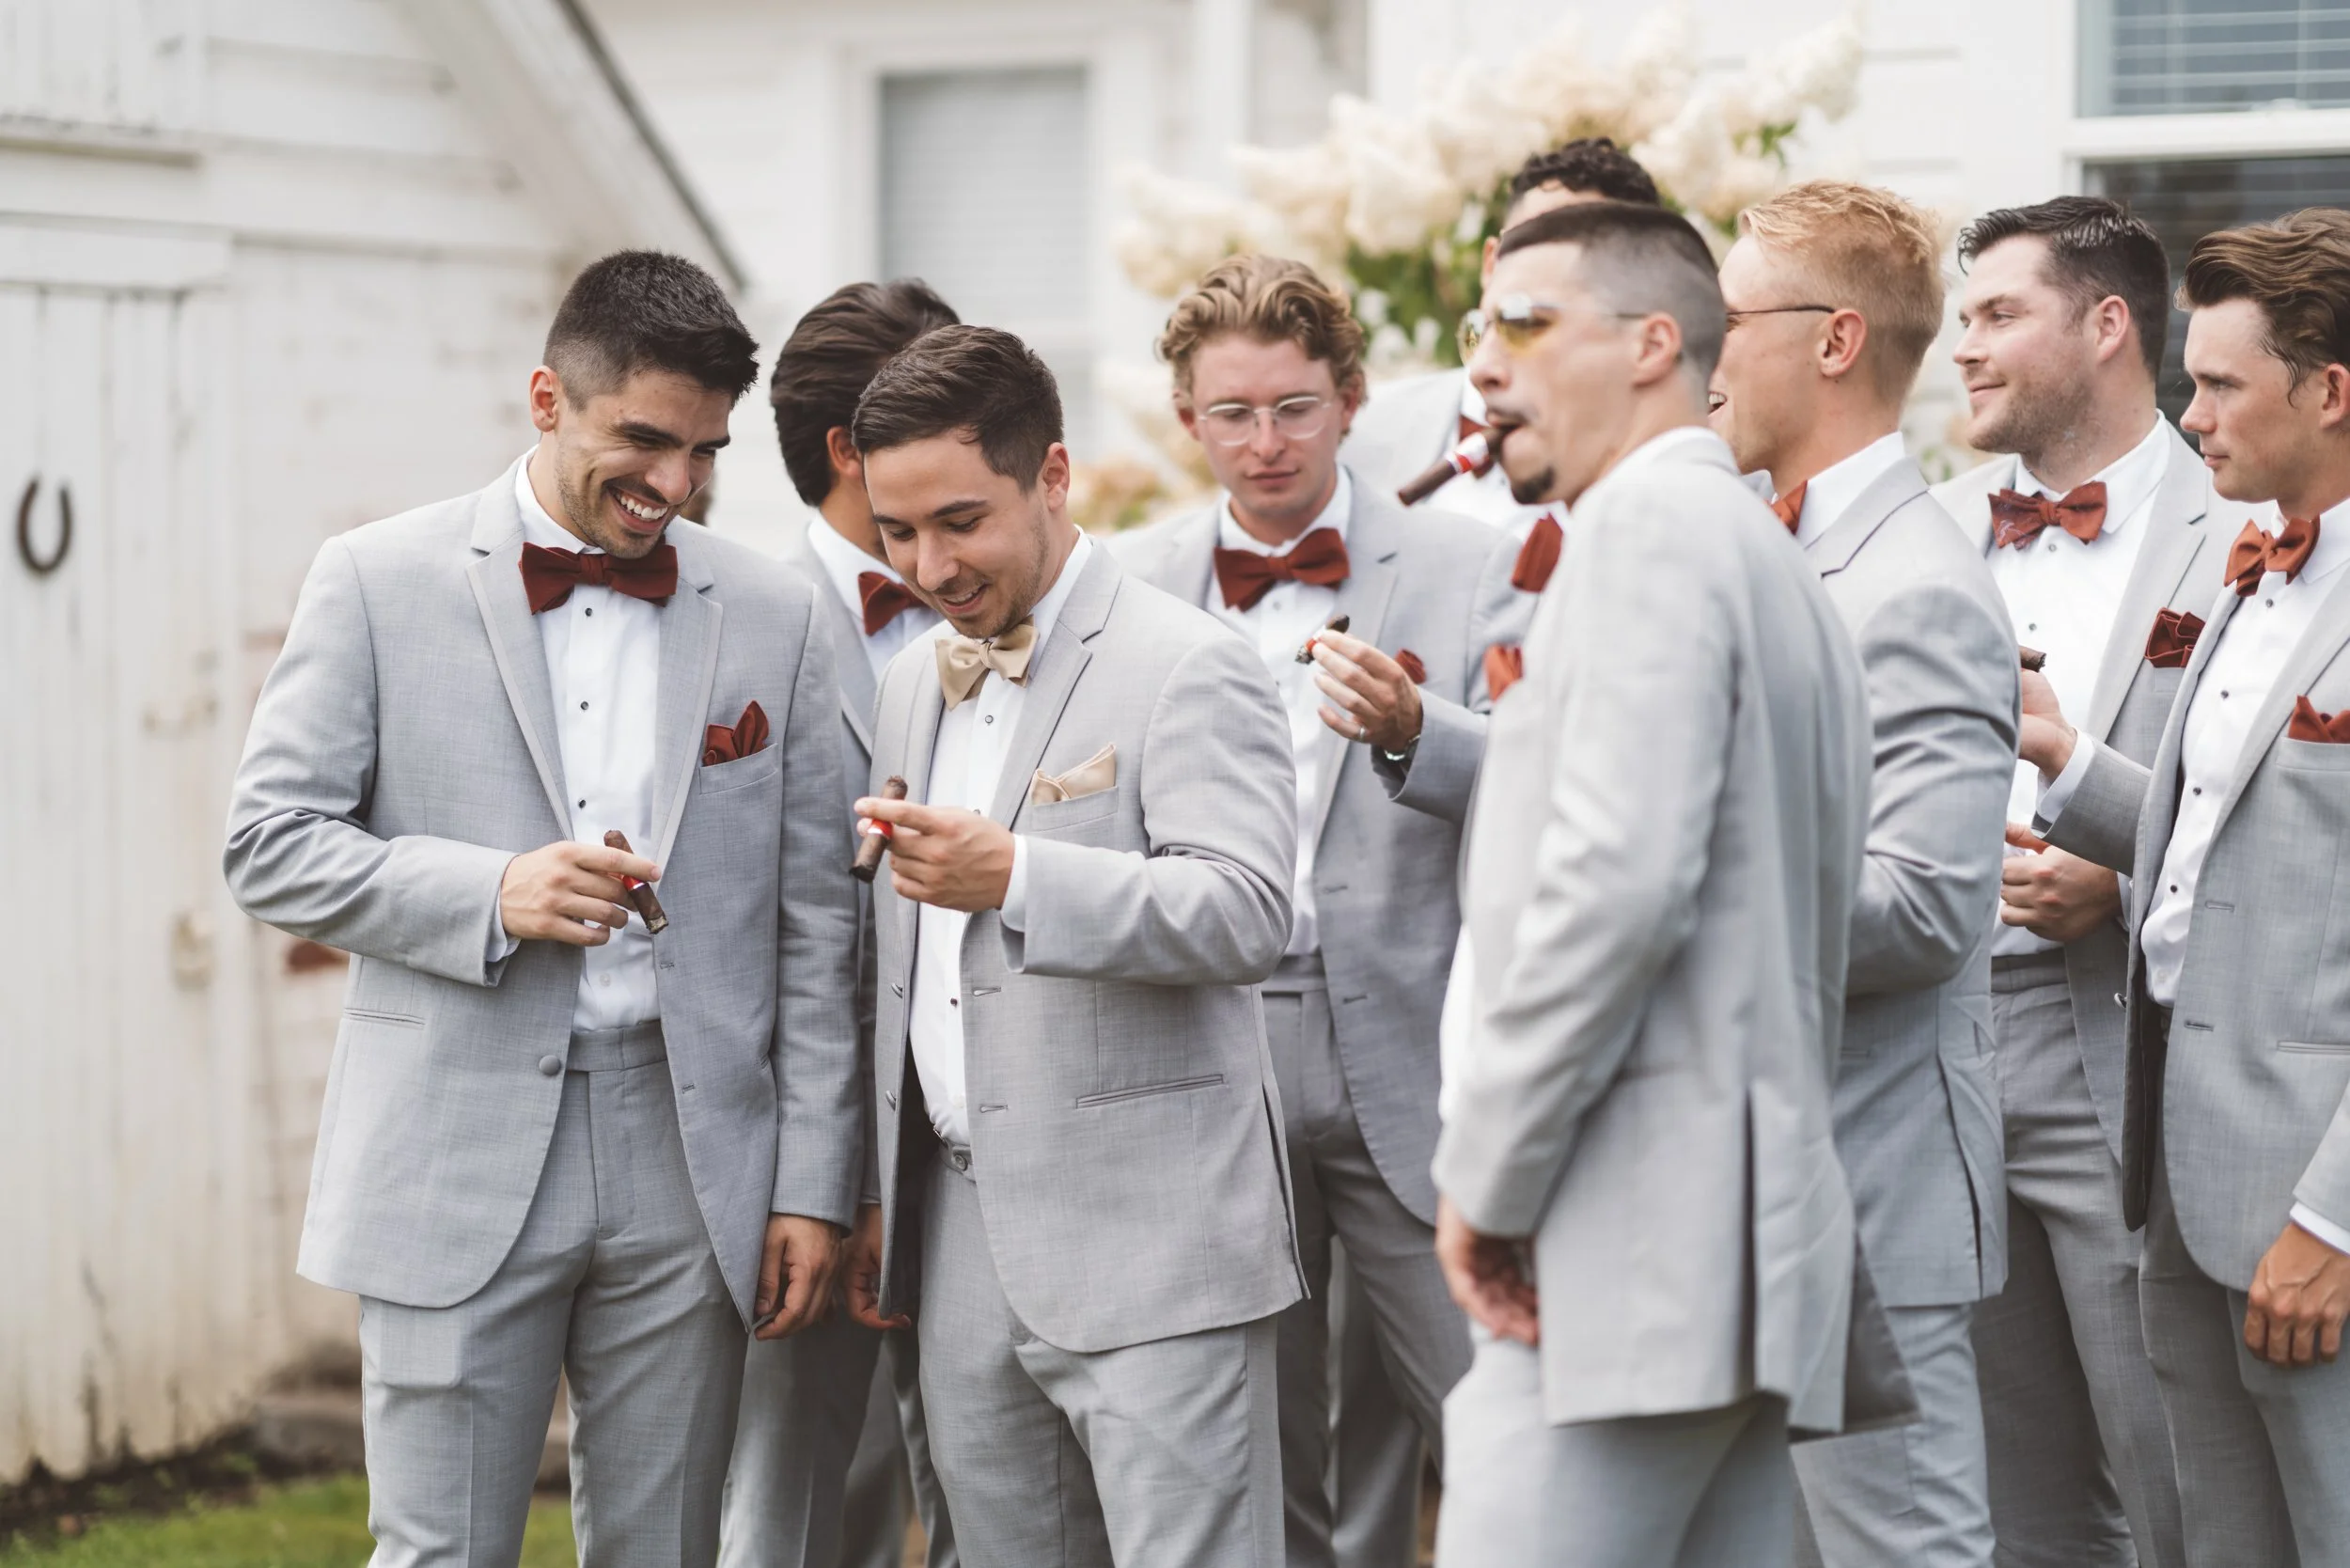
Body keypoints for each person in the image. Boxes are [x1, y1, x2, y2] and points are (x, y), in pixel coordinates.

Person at [223, 252, 862, 1568]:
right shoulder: (376, 578)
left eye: (703, 453)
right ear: (545, 399)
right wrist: (491, 891)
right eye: (642, 439)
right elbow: (267, 846)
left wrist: (808, 1182)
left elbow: (813, 928)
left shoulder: (773, 613)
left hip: (692, 1160)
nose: (673, 486)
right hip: (453, 1138)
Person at [1434, 199, 1876, 1568]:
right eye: (1478, 332)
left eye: (1526, 323)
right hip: (1734, 1249)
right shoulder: (1762, 549)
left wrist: (1490, 1180)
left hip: (1622, 1250)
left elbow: (1617, 885)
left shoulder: (1645, 535)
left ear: (1652, 346)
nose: (1486, 368)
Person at [840, 324, 1303, 1568]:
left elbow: (1250, 910)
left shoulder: (1187, 663)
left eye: (959, 520)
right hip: (962, 1245)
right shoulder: (906, 685)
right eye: (895, 533)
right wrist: (885, 1187)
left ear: (1052, 476)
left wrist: (1022, 874)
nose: (928, 564)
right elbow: (905, 974)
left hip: (1157, 1246)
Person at [1115, 254, 1492, 1568]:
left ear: (1350, 399)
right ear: (1185, 418)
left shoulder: (1475, 565)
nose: (1264, 443)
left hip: (1415, 1060)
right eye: (1232, 413)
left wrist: (1419, 731)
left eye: (1293, 408)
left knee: (1496, 1429)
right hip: (1211, 1059)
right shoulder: (1123, 587)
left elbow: (1551, 785)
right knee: (1256, 1452)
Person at [2024, 208, 2350, 1566]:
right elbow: (2207, 848)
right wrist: (2056, 753)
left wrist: (2333, 1220)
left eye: (2220, 384)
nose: (2190, 413)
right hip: (2170, 1173)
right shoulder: (2250, 565)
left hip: (2307, 1215)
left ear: (2330, 390)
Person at [1710, 180, 2019, 1568]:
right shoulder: (1769, 547)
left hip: (1872, 1195)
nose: (1701, 354)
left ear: (1835, 341)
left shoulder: (1919, 588)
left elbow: (1927, 909)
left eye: (1726, 319)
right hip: (1763, 1185)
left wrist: (1676, 892)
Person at [1936, 196, 2229, 1568]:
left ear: (2108, 324)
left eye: (1999, 315)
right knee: (2010, 1494)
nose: (1965, 350)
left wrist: (2117, 874)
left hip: (2127, 1047)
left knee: (2177, 1473)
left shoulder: (2245, 524)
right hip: (1935, 1047)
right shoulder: (1923, 533)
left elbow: (2265, 793)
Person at [722, 278, 960, 1568]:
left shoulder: (1017, 607)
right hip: (805, 1165)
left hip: (989, 1147)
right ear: (847, 451)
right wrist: (830, 1179)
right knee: (808, 1512)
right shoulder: (739, 629)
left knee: (992, 1497)